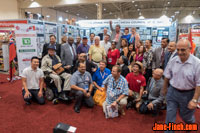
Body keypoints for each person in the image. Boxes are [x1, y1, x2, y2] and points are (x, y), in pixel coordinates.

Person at [162, 39, 200, 132]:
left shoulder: (197, 63)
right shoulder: (173, 61)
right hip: (172, 92)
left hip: (188, 94)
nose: (179, 52)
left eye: (183, 50)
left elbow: (199, 84)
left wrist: (195, 100)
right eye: (178, 49)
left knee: (186, 117)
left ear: (190, 49)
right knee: (170, 116)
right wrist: (164, 88)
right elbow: (167, 75)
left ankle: (190, 124)